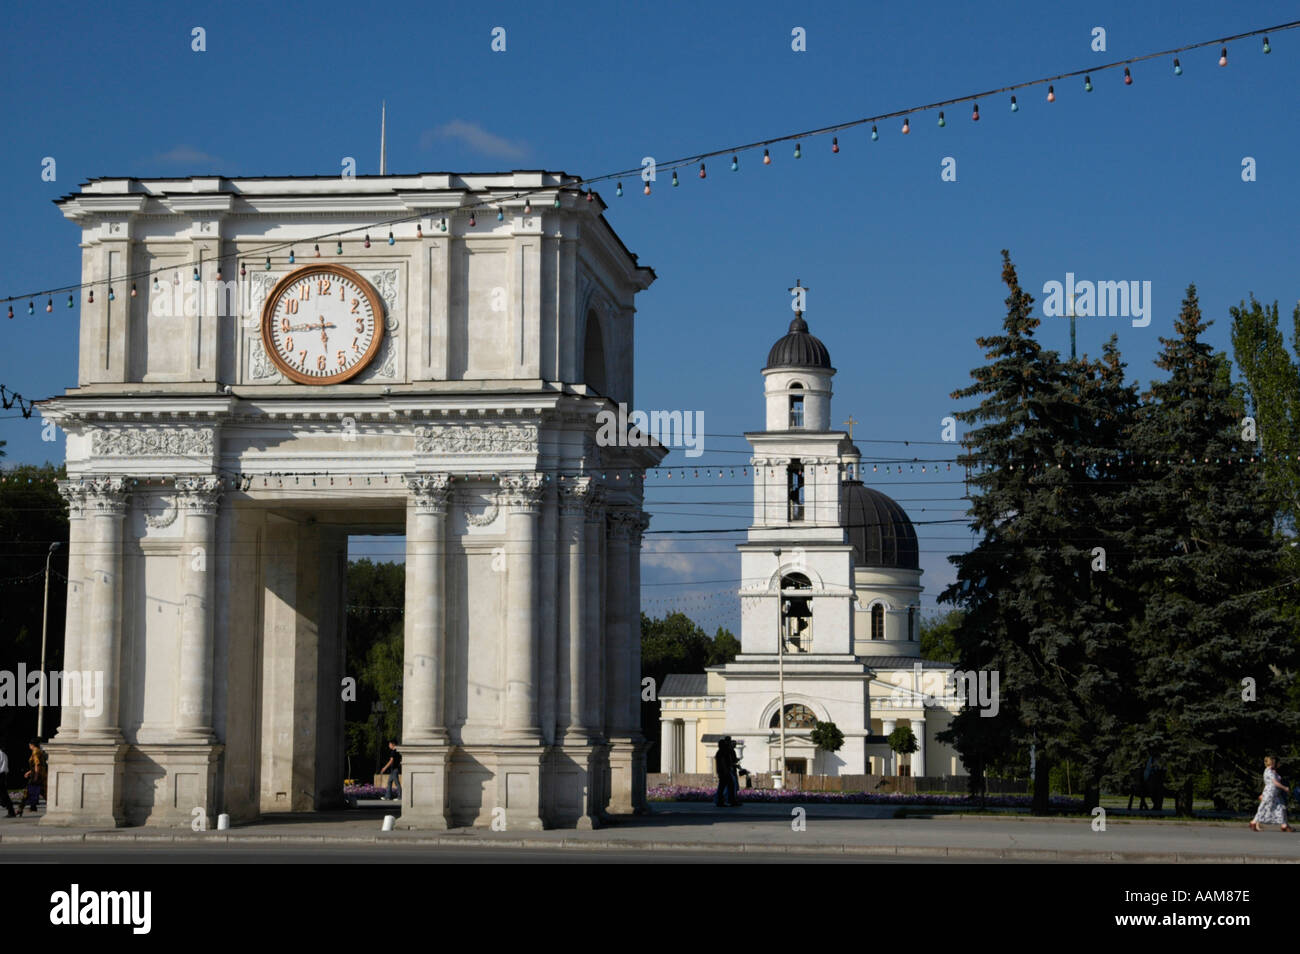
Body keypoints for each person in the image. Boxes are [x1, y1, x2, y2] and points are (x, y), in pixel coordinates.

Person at [1249, 755, 1293, 832]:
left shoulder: (1272, 771)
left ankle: (1284, 825)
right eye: (1274, 761)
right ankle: (1253, 822)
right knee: (1264, 808)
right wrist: (1285, 788)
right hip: (1270, 793)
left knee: (1281, 808)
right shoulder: (1268, 771)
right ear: (1272, 762)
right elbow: (1274, 782)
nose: (1275, 763)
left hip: (1274, 793)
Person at [22, 740, 47, 815]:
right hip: (41, 774)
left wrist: (35, 776)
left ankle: (20, 809)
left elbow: (37, 765)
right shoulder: (39, 751)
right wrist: (29, 772)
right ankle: (33, 807)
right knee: (43, 792)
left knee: (27, 791)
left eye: (29, 744)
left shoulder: (35, 752)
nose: (29, 746)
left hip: (37, 775)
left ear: (32, 745)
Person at [714, 737, 737, 808]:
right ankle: (726, 801)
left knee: (724, 786)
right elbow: (723, 762)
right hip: (724, 772)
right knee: (727, 786)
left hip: (722, 772)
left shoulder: (720, 752)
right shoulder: (722, 752)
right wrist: (726, 771)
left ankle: (724, 801)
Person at [0, 747, 14, 818]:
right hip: (2, 775)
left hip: (1, 775)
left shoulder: (1, 754)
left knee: (3, 794)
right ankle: (9, 808)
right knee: (3, 794)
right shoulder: (3, 754)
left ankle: (10, 810)